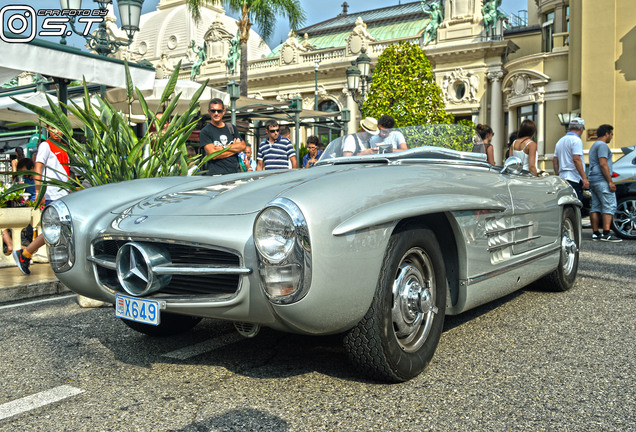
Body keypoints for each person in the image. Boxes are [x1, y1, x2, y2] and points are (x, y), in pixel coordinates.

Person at [13, 125, 70, 275]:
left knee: (60, 229)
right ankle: (25, 254)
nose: (57, 131)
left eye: (59, 128)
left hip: (64, 195)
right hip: (52, 195)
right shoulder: (46, 145)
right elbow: (38, 168)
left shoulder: (64, 147)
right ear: (47, 128)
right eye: (53, 128)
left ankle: (29, 255)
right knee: (54, 229)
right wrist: (39, 192)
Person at [588, 124, 621, 242]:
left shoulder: (594, 145)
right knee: (609, 204)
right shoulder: (602, 145)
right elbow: (603, 163)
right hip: (602, 179)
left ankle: (596, 233)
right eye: (611, 134)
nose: (611, 137)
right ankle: (606, 233)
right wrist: (610, 181)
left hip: (593, 179)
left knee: (595, 206)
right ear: (607, 133)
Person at [200, 98, 246, 175]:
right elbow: (213, 155)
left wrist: (223, 147)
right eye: (213, 111)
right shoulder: (205, 131)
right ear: (209, 112)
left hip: (234, 174)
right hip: (216, 175)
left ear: (223, 112)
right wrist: (235, 148)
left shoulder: (231, 128)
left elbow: (242, 146)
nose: (216, 113)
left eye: (219, 111)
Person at [553, 117, 589, 202]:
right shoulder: (576, 140)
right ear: (581, 128)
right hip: (574, 178)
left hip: (563, 178)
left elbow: (555, 160)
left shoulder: (560, 141)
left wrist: (557, 174)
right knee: (576, 202)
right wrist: (584, 178)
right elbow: (576, 159)